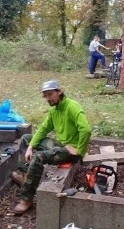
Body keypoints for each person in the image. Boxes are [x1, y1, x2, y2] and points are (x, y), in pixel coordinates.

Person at [10, 80, 92, 214]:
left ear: (59, 92)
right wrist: (31, 146)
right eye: (45, 96)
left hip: (70, 152)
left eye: (50, 94)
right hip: (60, 145)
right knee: (26, 139)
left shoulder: (72, 107)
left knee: (39, 157)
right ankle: (25, 176)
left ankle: (27, 199)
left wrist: (79, 151)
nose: (48, 98)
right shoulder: (54, 110)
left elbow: (86, 130)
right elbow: (43, 129)